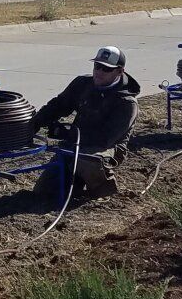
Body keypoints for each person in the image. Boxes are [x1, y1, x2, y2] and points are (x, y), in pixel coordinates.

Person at [32, 44, 140, 201]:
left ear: (119, 71)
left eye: (106, 69)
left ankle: (103, 192)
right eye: (97, 66)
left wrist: (68, 133)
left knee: (88, 161)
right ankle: (75, 180)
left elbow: (106, 138)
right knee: (43, 191)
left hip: (107, 148)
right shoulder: (82, 84)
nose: (99, 72)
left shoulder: (127, 102)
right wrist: (36, 122)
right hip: (76, 143)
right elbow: (59, 105)